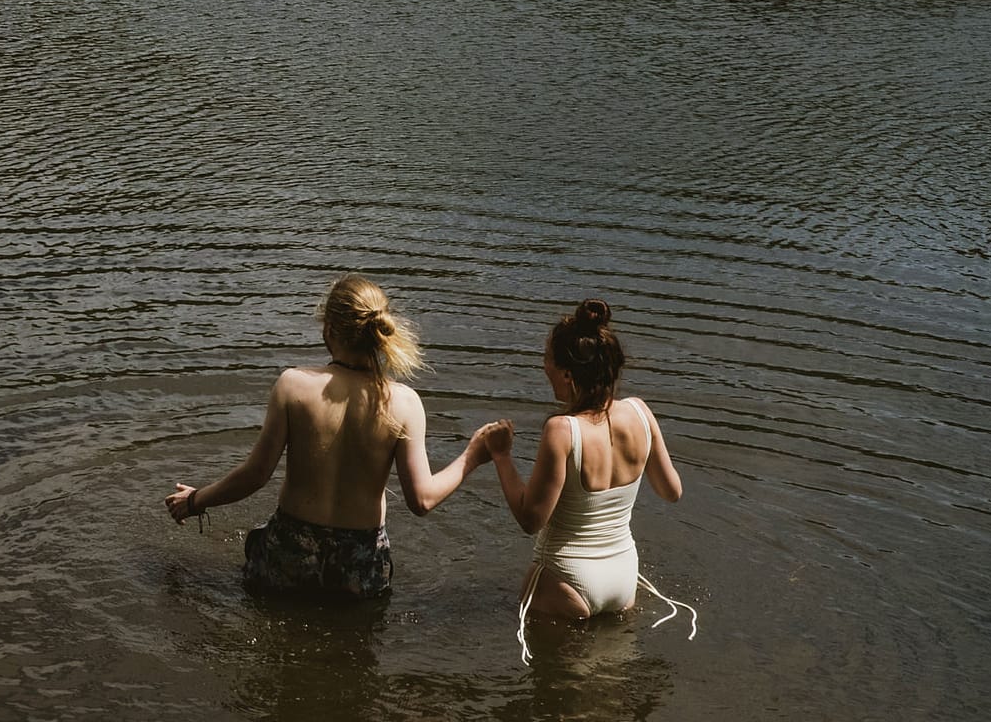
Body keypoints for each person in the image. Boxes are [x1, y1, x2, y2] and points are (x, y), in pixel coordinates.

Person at [164, 275, 495, 600]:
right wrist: (473, 455)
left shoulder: (293, 385)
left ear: (329, 329)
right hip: (360, 566)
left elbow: (255, 475)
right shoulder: (405, 402)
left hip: (290, 554)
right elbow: (421, 501)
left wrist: (196, 501)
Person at [476, 299, 695, 662]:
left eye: (547, 358)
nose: (543, 366)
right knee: (609, 684)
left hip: (568, 578)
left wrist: (501, 457)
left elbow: (531, 520)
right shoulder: (641, 412)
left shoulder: (562, 430)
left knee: (555, 692)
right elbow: (672, 491)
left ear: (566, 373)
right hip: (623, 576)